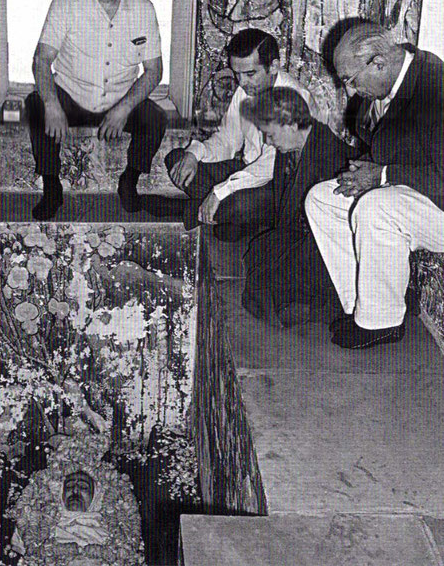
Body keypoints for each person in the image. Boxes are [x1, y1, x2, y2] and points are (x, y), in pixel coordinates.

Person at [305, 21, 444, 349]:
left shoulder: (436, 87)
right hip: (424, 192)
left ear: (378, 62)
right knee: (324, 198)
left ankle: (382, 322)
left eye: (351, 81)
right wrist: (365, 173)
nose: (350, 91)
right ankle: (363, 306)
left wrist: (381, 177)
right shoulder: (389, 83)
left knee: (376, 207)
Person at [26, 0, 167, 220]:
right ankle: (52, 187)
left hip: (119, 100)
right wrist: (53, 105)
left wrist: (124, 108)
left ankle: (129, 181)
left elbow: (154, 71)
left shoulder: (143, 8)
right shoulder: (65, 1)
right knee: (35, 104)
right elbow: (41, 59)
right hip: (71, 95)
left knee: (156, 118)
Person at [161, 28, 320, 236]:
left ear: (273, 66)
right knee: (177, 160)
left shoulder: (296, 98)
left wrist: (221, 191)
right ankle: (233, 221)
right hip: (246, 170)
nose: (242, 82)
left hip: (282, 184)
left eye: (250, 74)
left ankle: (190, 211)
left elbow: (271, 166)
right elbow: (227, 140)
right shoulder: (245, 90)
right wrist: (194, 153)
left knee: (238, 204)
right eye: (237, 74)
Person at [239, 87, 358, 327]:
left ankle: (313, 305)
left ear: (292, 124)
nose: (267, 142)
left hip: (332, 242)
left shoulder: (330, 156)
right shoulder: (291, 147)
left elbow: (338, 231)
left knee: (283, 264)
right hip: (302, 232)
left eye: (270, 135)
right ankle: (287, 301)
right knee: (260, 248)